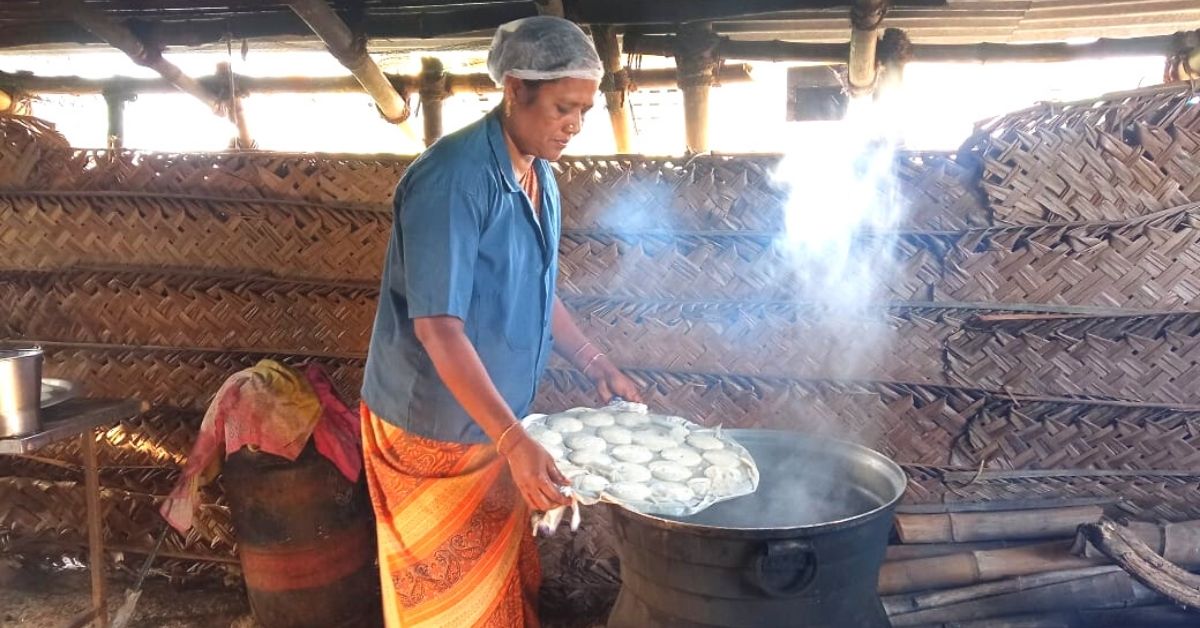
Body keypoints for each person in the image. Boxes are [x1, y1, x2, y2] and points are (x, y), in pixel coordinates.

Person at [359, 16, 642, 628]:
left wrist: (595, 362)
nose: (575, 125)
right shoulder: (454, 180)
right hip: (433, 427)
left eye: (585, 111)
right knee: (453, 600)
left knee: (499, 582)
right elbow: (437, 327)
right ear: (515, 90)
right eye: (564, 108)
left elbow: (537, 291)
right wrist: (513, 439)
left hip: (494, 420)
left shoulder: (539, 174)